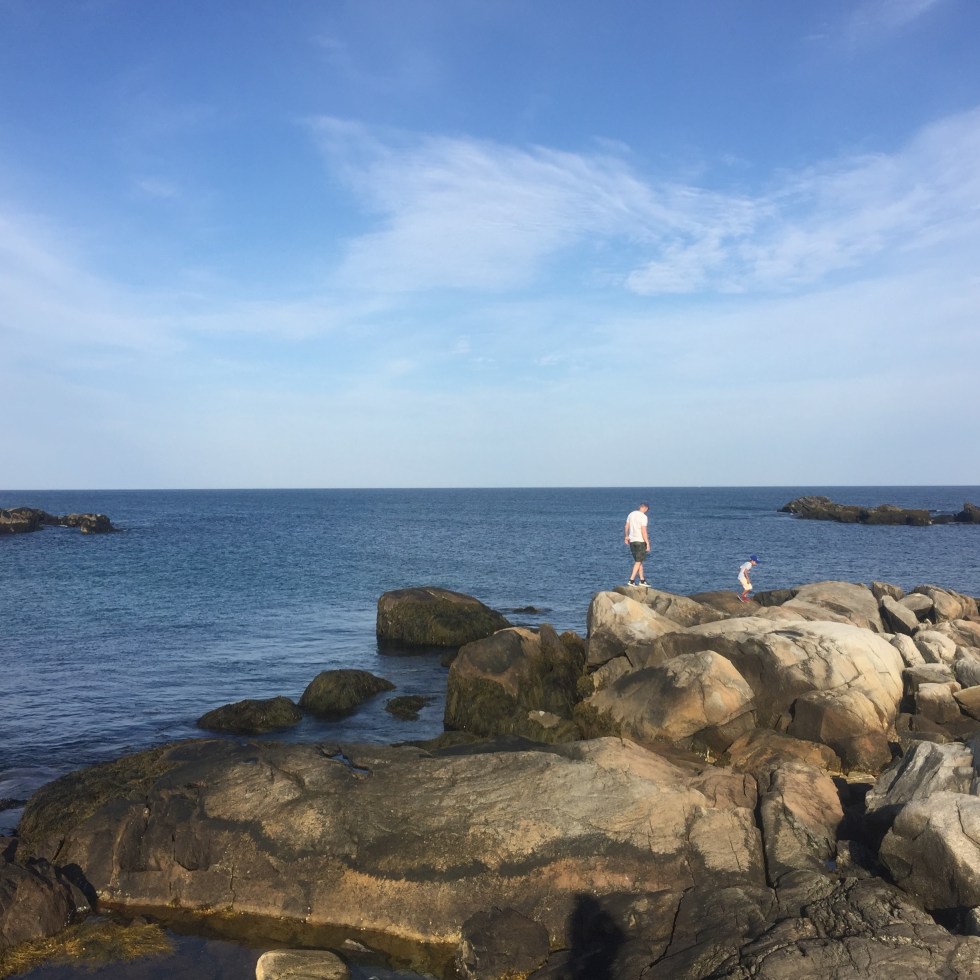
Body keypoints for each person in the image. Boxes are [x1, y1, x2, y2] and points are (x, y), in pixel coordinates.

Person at [624, 502, 651, 586]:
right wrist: (647, 543)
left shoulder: (631, 514)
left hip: (632, 541)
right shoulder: (643, 517)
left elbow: (626, 526)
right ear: (646, 508)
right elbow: (644, 531)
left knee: (639, 561)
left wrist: (626, 536)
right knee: (638, 561)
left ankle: (642, 580)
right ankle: (631, 580)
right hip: (640, 541)